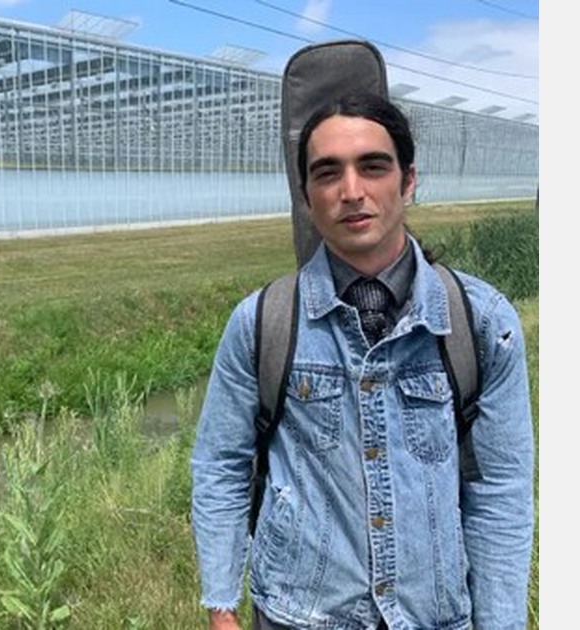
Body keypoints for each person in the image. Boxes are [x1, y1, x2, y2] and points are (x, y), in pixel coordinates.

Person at [190, 91, 535, 630]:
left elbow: (500, 494)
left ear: (408, 180)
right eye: (327, 173)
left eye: (373, 166)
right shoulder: (265, 322)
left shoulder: (482, 323)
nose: (351, 192)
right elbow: (221, 465)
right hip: (297, 616)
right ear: (305, 195)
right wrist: (221, 607)